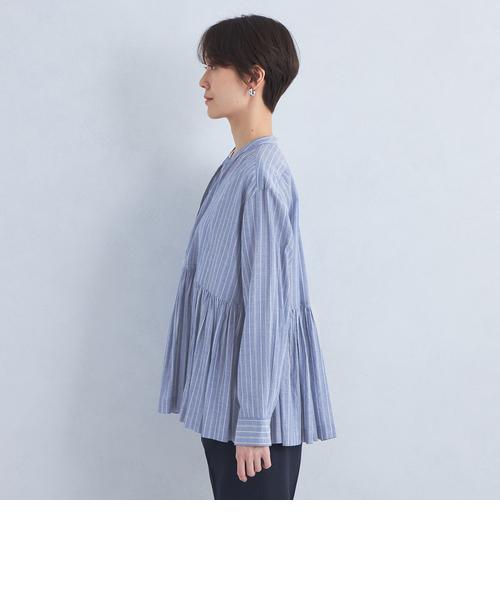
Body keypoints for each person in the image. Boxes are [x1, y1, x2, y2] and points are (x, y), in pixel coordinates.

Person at [158, 14, 336, 500]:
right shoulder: (239, 164)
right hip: (230, 402)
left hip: (254, 418)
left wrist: (255, 420)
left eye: (214, 66)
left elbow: (267, 305)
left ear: (253, 77)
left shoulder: (260, 176)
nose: (203, 81)